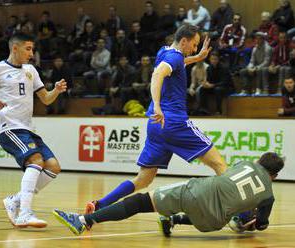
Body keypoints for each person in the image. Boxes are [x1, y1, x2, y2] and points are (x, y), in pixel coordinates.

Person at [84, 24, 227, 215]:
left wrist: (196, 58)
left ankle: (99, 204)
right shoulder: (174, 56)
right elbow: (158, 74)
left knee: (143, 178)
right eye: (194, 45)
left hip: (155, 125)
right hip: (174, 123)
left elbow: (175, 65)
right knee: (219, 164)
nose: (194, 48)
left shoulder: (165, 51)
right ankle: (243, 214)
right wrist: (157, 104)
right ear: (183, 41)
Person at [0, 33, 67, 228]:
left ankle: (15, 200)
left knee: (53, 166)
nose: (32, 53)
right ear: (15, 48)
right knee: (36, 160)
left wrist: (55, 90)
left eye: (32, 49)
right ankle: (25, 213)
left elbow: (45, 99)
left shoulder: (31, 70)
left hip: (28, 129)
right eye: (28, 49)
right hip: (9, 128)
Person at [53, 152, 283, 236]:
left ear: (258, 161)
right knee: (222, 212)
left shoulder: (244, 163)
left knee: (140, 202)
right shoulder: (269, 196)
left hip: (197, 193)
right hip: (211, 222)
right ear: (274, 175)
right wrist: (252, 222)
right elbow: (262, 224)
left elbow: (230, 183)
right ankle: (174, 220)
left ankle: (84, 220)